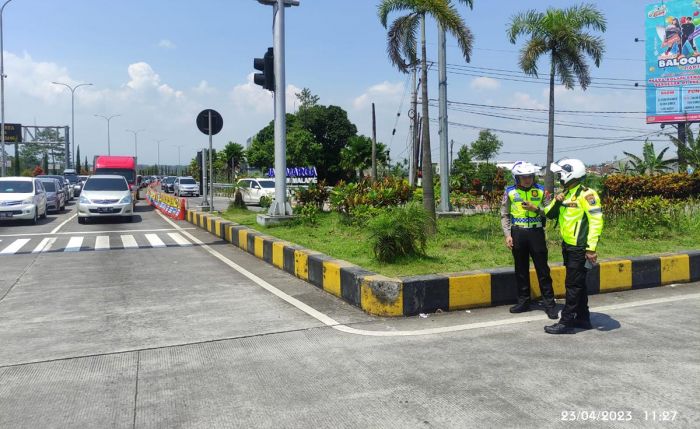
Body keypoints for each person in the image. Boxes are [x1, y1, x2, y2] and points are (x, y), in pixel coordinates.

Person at [524, 158, 604, 334]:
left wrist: (591, 248)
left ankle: (566, 322)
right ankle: (583, 318)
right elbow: (550, 213)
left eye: (561, 174)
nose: (559, 177)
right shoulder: (566, 194)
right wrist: (551, 202)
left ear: (570, 174)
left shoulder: (587, 194)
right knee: (579, 284)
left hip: (580, 246)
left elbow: (596, 221)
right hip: (568, 245)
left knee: (572, 285)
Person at [500, 161, 558, 319]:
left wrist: (536, 209)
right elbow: (505, 215)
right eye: (523, 177)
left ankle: (549, 303)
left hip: (536, 233)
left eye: (529, 176)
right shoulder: (510, 192)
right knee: (521, 269)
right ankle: (523, 301)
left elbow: (550, 212)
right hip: (517, 233)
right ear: (516, 178)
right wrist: (508, 235)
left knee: (543, 270)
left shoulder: (541, 191)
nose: (527, 180)